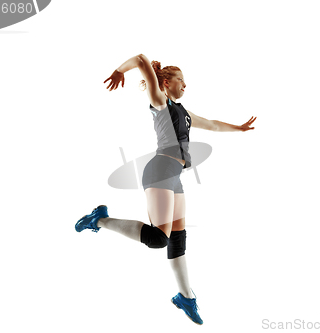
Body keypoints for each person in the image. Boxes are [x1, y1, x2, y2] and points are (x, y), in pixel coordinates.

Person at [75, 54, 256, 325]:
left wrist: (239, 128)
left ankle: (186, 297)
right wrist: (118, 70)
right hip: (160, 170)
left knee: (178, 239)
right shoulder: (160, 102)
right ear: (168, 82)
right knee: (159, 239)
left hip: (175, 177)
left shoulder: (184, 113)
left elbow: (214, 124)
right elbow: (140, 59)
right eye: (182, 80)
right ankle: (99, 219)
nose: (185, 85)